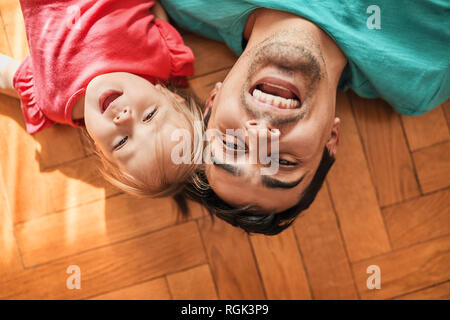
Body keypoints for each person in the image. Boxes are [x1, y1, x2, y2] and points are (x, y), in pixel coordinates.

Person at [162, 0, 450, 234]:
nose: (262, 135)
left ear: (212, 102)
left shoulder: (183, 5)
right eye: (284, 162)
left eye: (233, 145)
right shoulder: (422, 74)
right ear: (330, 139)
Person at [0, 0, 204, 202]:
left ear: (100, 150)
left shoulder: (55, 103)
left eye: (121, 141)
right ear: (169, 95)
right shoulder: (163, 57)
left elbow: (9, 76)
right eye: (150, 115)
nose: (125, 118)